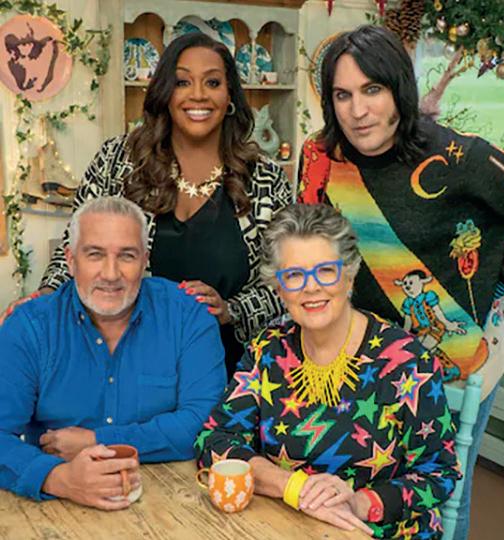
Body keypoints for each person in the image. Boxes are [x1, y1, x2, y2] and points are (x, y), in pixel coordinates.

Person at [297, 25, 504, 540]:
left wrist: (500, 280)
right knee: (356, 496)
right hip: (358, 363)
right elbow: (306, 245)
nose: (357, 111)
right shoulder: (320, 156)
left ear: (399, 89)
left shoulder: (461, 157)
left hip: (456, 359)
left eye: (372, 90)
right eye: (342, 94)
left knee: (442, 498)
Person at [1, 32, 292, 379]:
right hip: (121, 369)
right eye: (182, 82)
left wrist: (232, 310)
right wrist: (47, 296)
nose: (198, 94)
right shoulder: (117, 160)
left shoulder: (264, 177)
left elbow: (287, 280)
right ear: (165, 92)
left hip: (231, 376)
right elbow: (78, 244)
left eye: (213, 82)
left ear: (230, 95)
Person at [196, 204, 459, 539]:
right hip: (284, 525)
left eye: (325, 271)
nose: (311, 287)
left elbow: (439, 472)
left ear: (349, 275)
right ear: (278, 288)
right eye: (294, 275)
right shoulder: (267, 350)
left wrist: (357, 503)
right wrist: (294, 488)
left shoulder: (407, 361)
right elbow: (215, 439)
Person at [0, 196, 226, 509]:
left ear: (145, 260)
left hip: (177, 501)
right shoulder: (29, 327)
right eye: (95, 254)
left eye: (127, 256)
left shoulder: (189, 316)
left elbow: (206, 421)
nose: (110, 273)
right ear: (70, 260)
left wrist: (99, 440)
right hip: (55, 507)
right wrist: (58, 478)